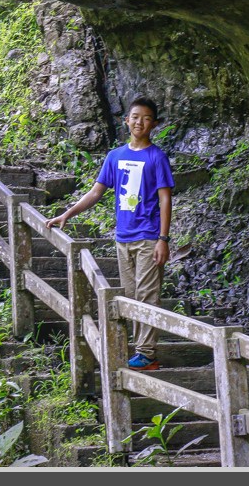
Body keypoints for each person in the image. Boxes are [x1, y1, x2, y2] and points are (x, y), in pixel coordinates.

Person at [45, 96, 175, 371]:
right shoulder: (115, 156)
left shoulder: (157, 157)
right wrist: (67, 214)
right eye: (135, 117)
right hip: (123, 237)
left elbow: (165, 199)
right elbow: (96, 192)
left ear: (154, 124)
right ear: (126, 121)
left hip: (149, 236)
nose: (140, 122)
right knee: (130, 295)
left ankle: (147, 354)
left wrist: (163, 239)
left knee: (147, 295)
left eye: (146, 118)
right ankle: (140, 351)